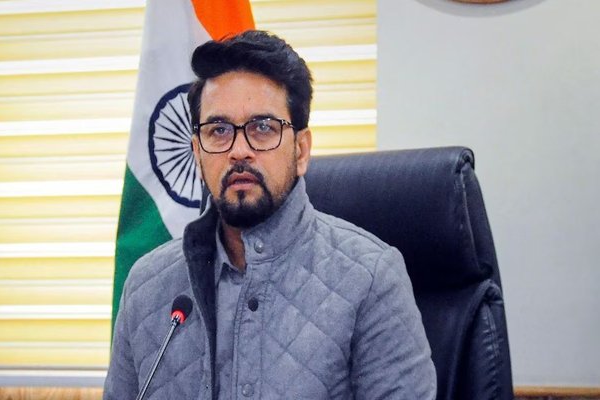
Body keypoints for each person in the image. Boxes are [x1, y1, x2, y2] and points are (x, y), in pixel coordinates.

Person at [104, 30, 436, 400]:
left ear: (301, 150)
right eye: (218, 130)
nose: (239, 150)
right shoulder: (146, 286)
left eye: (263, 128)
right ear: (197, 153)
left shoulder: (371, 279)